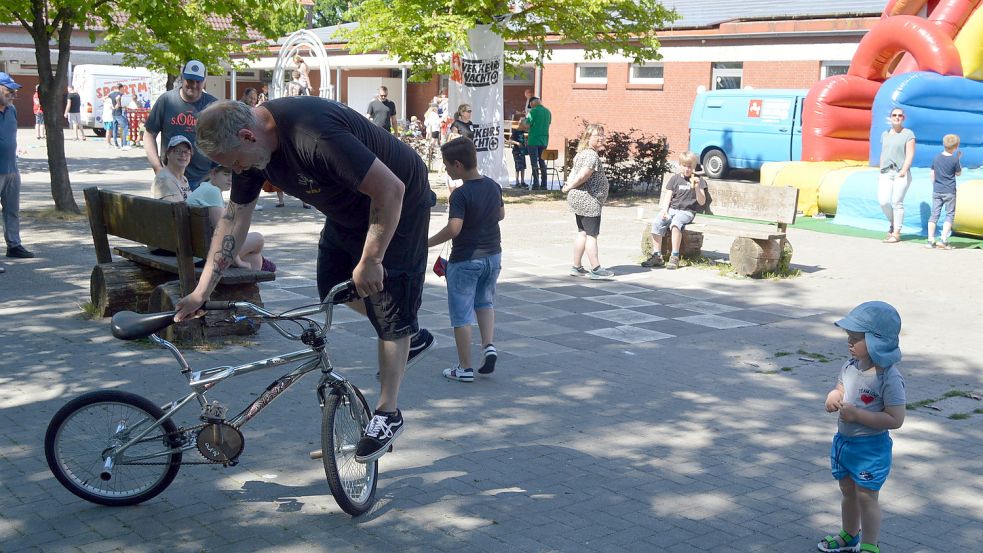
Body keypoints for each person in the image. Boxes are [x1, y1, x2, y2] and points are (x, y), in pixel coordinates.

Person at [177, 98, 437, 463]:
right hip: (347, 210)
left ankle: (387, 412)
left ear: (249, 135)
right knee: (332, 288)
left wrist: (371, 259)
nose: (237, 170)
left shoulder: (313, 135)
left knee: (388, 307)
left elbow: (390, 189)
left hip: (398, 203)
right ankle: (410, 335)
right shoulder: (252, 152)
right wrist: (201, 291)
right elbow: (233, 220)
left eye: (234, 162)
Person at [818, 301, 906, 553]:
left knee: (867, 497)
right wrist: (833, 396)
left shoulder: (888, 377)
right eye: (849, 336)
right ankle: (849, 535)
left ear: (878, 340)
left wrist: (857, 415)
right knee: (847, 491)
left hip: (871, 448)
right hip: (844, 443)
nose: (849, 342)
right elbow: (841, 389)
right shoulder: (849, 366)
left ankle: (870, 545)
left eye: (856, 338)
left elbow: (895, 419)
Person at [427, 138, 503, 382]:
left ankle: (465, 367)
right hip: (493, 256)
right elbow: (500, 214)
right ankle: (488, 345)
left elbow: (454, 229)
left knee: (461, 313)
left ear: (458, 165)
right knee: (484, 302)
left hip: (465, 260)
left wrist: (425, 243)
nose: (446, 169)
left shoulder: (459, 195)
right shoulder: (493, 186)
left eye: (447, 165)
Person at [144, 60, 218, 191]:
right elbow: (149, 134)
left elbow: (222, 140)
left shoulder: (213, 105)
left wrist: (217, 172)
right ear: (182, 78)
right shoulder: (166, 101)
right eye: (190, 80)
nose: (193, 85)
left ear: (204, 81)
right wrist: (158, 168)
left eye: (198, 81)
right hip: (171, 176)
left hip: (204, 179)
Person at [187, 165, 274, 272]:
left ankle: (252, 275)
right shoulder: (212, 191)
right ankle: (258, 267)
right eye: (225, 174)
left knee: (255, 259)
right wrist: (239, 262)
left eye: (232, 175)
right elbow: (223, 233)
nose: (230, 179)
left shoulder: (205, 187)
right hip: (204, 255)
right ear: (213, 174)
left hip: (197, 250)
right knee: (258, 239)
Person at [641, 151, 708, 270]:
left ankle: (675, 256)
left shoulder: (698, 180)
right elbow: (668, 196)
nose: (687, 169)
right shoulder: (675, 179)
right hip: (672, 209)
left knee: (676, 224)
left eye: (690, 166)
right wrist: (664, 211)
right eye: (684, 166)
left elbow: (702, 201)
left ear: (693, 167)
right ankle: (657, 256)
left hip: (687, 211)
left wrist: (697, 188)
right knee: (657, 222)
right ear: (680, 165)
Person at [562, 124, 612, 280]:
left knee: (582, 233)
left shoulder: (581, 153)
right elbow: (583, 175)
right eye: (597, 135)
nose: (601, 138)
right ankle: (596, 269)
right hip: (588, 199)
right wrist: (569, 185)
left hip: (578, 198)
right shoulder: (591, 155)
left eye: (602, 135)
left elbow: (573, 172)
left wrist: (568, 187)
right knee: (591, 235)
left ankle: (576, 267)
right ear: (588, 138)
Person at [0, 72, 34, 260]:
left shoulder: (11, 109)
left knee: (12, 210)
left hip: (12, 169)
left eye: (14, 91)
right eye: (9, 90)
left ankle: (14, 245)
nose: (13, 94)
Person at [878, 107, 915, 244]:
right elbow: (884, 152)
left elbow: (910, 153)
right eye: (894, 115)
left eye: (900, 115)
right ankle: (893, 222)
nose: (897, 117)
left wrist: (904, 170)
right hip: (886, 172)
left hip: (900, 171)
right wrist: (880, 169)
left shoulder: (908, 134)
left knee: (897, 202)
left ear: (903, 118)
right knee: (883, 201)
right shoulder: (885, 134)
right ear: (890, 117)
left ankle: (896, 233)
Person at [926, 133, 961, 250]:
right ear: (956, 147)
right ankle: (943, 240)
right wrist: (958, 160)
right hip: (949, 191)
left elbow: (932, 173)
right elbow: (958, 173)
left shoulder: (936, 157)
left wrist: (935, 185)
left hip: (937, 190)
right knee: (949, 214)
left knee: (934, 215)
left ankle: (930, 240)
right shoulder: (955, 159)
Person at [150, 135, 193, 202]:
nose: (183, 155)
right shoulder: (164, 179)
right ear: (168, 154)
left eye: (186, 151)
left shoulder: (183, 179)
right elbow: (177, 209)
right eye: (177, 151)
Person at [522, 97, 551, 190]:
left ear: (533, 103)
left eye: (530, 105)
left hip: (533, 140)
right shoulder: (548, 112)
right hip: (544, 140)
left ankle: (536, 184)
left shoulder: (533, 112)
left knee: (534, 163)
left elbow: (526, 126)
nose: (530, 107)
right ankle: (544, 184)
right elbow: (548, 124)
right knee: (542, 162)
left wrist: (524, 120)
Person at [109, 84, 131, 150]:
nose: (123, 89)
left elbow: (104, 98)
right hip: (119, 113)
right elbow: (117, 98)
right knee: (125, 127)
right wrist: (118, 104)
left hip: (113, 113)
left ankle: (116, 144)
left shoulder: (111, 94)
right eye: (123, 88)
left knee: (115, 129)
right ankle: (124, 144)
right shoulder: (120, 94)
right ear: (121, 88)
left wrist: (112, 106)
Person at [508, 116, 528, 188]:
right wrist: (517, 143)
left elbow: (528, 129)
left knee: (523, 167)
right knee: (518, 167)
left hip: (522, 151)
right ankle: (517, 181)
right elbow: (510, 140)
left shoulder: (523, 131)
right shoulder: (516, 131)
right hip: (516, 151)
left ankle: (522, 181)